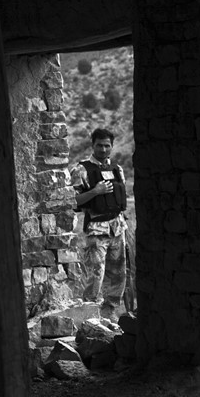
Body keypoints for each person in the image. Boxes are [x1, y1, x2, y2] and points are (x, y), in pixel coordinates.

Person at [70, 128, 128, 321]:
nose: (103, 149)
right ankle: (90, 316)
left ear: (112, 146)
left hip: (117, 227)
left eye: (107, 145)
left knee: (118, 272)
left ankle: (109, 313)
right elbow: (73, 201)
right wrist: (96, 191)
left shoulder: (117, 169)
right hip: (96, 229)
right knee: (95, 274)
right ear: (92, 145)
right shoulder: (81, 170)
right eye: (99, 145)